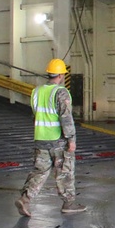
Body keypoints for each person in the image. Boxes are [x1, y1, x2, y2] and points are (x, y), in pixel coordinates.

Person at [15, 58, 86, 217]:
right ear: (61, 75)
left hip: (40, 139)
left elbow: (35, 114)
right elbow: (66, 118)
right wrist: (72, 140)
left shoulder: (36, 91)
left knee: (39, 171)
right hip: (58, 140)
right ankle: (69, 203)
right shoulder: (61, 93)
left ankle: (25, 199)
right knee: (65, 172)